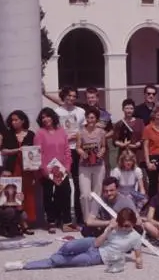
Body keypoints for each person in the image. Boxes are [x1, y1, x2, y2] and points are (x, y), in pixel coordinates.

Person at [6, 208, 143, 271]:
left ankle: (24, 265)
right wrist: (109, 229)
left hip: (97, 258)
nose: (123, 228)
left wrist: (138, 262)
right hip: (93, 243)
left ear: (133, 223)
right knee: (68, 247)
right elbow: (96, 242)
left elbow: (138, 255)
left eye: (127, 226)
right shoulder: (114, 228)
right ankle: (55, 257)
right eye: (121, 224)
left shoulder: (135, 237)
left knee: (58, 261)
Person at [34, 107, 76, 233]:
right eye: (43, 117)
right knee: (48, 196)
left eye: (48, 116)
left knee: (65, 193)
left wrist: (67, 167)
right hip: (46, 170)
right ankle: (51, 221)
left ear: (53, 117)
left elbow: (67, 151)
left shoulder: (62, 131)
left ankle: (67, 222)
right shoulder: (40, 133)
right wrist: (45, 171)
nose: (46, 119)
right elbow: (38, 153)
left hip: (62, 169)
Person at [54, 87, 86, 225]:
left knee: (79, 184)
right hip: (62, 151)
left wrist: (77, 136)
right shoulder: (56, 112)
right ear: (63, 97)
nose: (71, 98)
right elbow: (54, 132)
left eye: (74, 96)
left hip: (77, 150)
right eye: (69, 96)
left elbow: (84, 130)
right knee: (62, 184)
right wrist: (65, 138)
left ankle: (80, 216)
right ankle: (63, 217)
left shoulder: (81, 112)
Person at [2, 110, 38, 228]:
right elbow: (3, 150)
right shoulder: (8, 134)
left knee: (28, 194)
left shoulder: (31, 134)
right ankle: (16, 222)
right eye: (12, 120)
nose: (14, 122)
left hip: (27, 168)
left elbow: (36, 152)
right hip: (13, 167)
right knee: (14, 194)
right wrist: (17, 150)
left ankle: (27, 221)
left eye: (16, 120)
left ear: (23, 121)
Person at [77, 108, 108, 224]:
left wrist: (102, 152)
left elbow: (104, 146)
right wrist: (82, 153)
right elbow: (78, 147)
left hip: (98, 165)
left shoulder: (101, 132)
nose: (90, 120)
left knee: (97, 193)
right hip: (84, 166)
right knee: (85, 194)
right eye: (89, 118)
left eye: (93, 118)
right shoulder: (80, 132)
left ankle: (94, 217)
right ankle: (86, 220)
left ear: (96, 119)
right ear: (86, 119)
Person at [113, 98, 145, 169]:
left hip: (137, 154)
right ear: (123, 109)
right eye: (127, 108)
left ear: (134, 109)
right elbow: (115, 140)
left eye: (131, 108)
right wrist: (122, 144)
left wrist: (138, 144)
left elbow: (144, 137)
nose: (129, 110)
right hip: (123, 154)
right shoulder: (119, 124)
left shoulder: (140, 122)